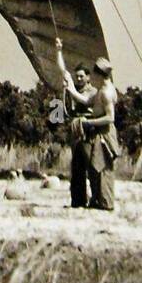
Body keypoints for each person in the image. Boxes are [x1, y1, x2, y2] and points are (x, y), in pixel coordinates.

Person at [55, 38, 96, 208]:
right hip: (75, 129)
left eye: (81, 76)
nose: (78, 79)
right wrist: (58, 50)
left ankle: (96, 198)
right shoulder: (74, 87)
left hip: (87, 128)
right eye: (77, 76)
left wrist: (70, 89)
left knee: (91, 165)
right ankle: (78, 200)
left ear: (88, 77)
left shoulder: (92, 91)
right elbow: (63, 70)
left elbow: (85, 101)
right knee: (77, 167)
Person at [80, 57, 119, 211]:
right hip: (99, 132)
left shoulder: (107, 93)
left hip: (105, 133)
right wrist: (70, 87)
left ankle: (106, 202)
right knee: (96, 168)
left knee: (104, 169)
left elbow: (110, 117)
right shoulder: (104, 90)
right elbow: (87, 101)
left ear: (98, 75)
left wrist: (89, 122)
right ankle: (98, 199)